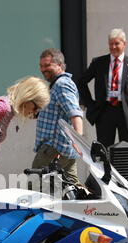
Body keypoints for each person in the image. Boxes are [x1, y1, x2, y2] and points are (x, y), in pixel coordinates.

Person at [78, 28, 128, 148]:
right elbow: (81, 82)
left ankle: (125, 168)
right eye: (111, 44)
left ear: (124, 44)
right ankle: (106, 168)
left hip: (127, 113)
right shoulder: (98, 63)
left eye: (116, 43)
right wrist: (90, 104)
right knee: (104, 151)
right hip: (105, 111)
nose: (113, 47)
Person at [32, 48, 83, 185]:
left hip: (54, 148)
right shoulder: (56, 85)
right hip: (63, 147)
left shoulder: (62, 85)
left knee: (35, 183)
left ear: (59, 65)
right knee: (73, 185)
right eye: (41, 66)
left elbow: (75, 113)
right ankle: (90, 206)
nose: (43, 69)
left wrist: (78, 140)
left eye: (47, 65)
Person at [0, 76, 50, 172]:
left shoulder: (9, 111)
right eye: (36, 107)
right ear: (28, 97)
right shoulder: (1, 107)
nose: (36, 112)